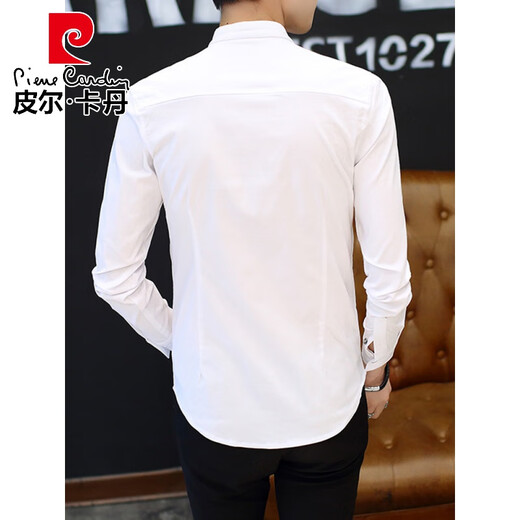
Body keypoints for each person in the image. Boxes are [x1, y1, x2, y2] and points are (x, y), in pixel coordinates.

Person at [91, 0, 412, 518]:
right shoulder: (358, 94)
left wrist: (183, 344)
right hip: (325, 399)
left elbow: (115, 276)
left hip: (215, 404)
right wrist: (374, 372)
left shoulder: (152, 102)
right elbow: (388, 277)